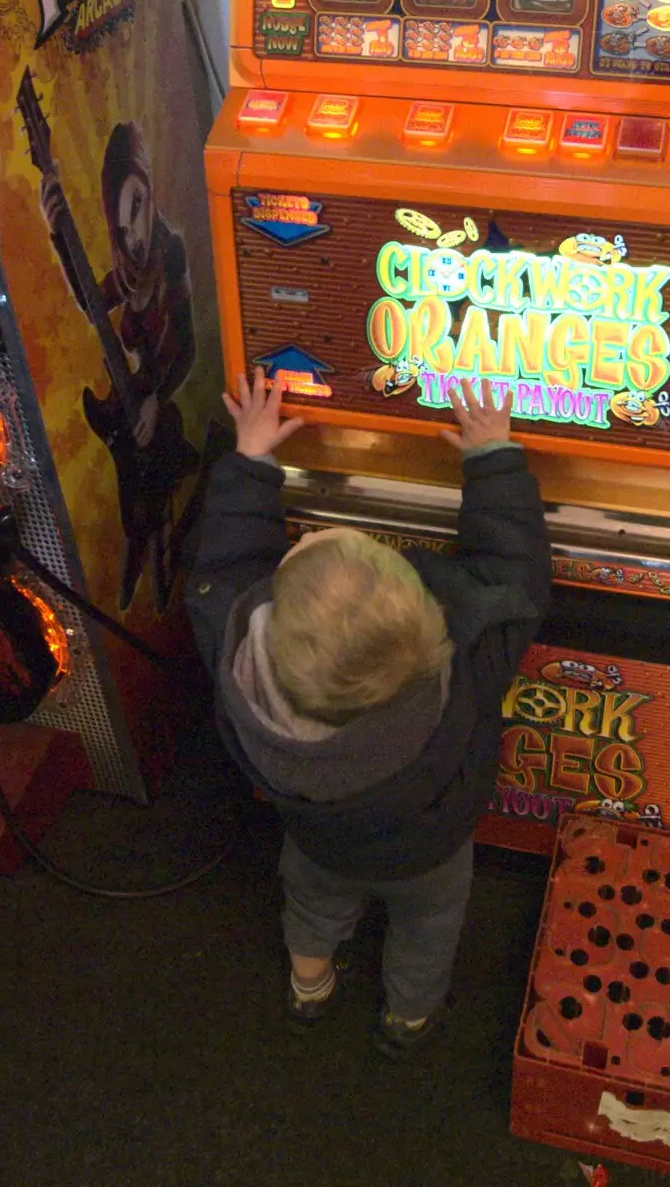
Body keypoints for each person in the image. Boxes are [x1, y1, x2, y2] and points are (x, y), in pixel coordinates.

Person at [186, 370, 551, 1058]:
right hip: (431, 855)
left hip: (318, 844)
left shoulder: (239, 663)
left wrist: (253, 457)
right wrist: (492, 456)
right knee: (428, 928)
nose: (315, 533)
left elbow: (228, 559)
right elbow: (515, 574)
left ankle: (310, 988)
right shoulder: (462, 662)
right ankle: (407, 1020)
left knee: (313, 908)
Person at [39, 122, 198, 610]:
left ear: (149, 195)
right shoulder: (126, 268)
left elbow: (188, 347)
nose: (130, 230)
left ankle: (159, 572)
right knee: (133, 512)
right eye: (120, 217)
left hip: (158, 407)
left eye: (137, 206)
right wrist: (57, 234)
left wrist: (157, 396)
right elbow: (91, 304)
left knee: (157, 498)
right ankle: (134, 589)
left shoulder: (170, 253)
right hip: (129, 410)